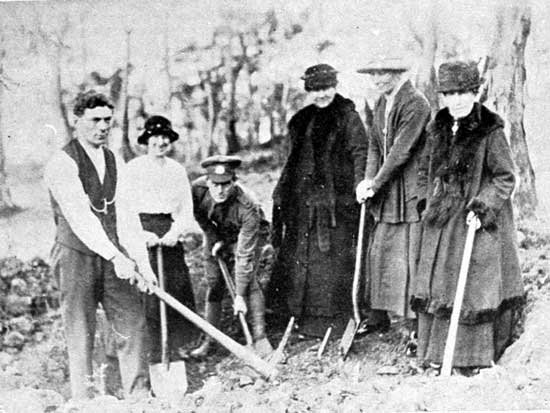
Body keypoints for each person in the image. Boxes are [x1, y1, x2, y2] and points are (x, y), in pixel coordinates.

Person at [411, 61, 524, 374]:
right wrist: (426, 201)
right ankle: (434, 353)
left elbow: (504, 176)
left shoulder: (491, 129)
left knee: (473, 285)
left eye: (463, 92)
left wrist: (483, 206)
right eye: (449, 93)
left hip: (476, 221)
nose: (457, 100)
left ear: (475, 93)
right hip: (442, 219)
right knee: (438, 282)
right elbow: (424, 169)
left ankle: (469, 358)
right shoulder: (438, 127)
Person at [45, 90, 157, 400]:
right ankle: (86, 401)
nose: (103, 126)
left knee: (132, 321)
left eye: (108, 120)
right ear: (76, 120)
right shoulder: (61, 162)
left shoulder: (114, 160)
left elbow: (127, 215)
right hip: (75, 254)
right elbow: (80, 217)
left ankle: (139, 397)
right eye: (95, 120)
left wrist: (142, 264)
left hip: (113, 254)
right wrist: (115, 254)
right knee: (81, 332)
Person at [271, 63, 369, 338]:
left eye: (326, 88)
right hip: (304, 204)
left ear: (335, 86)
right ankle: (303, 320)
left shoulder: (348, 117)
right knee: (302, 260)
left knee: (331, 261)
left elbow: (360, 152)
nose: (321, 94)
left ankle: (335, 322)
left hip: (337, 205)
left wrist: (360, 184)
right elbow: (291, 161)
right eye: (315, 89)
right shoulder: (301, 120)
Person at [356, 56, 430, 337]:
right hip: (387, 190)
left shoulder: (416, 103)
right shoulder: (380, 103)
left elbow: (402, 151)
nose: (376, 80)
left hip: (409, 190)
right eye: (372, 74)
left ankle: (414, 325)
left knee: (409, 257)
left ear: (397, 73)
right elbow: (375, 145)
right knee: (380, 252)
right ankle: (378, 316)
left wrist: (376, 184)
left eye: (382, 73)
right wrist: (367, 180)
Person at [120, 115, 198, 363]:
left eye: (165, 137)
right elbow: (123, 209)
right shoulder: (133, 169)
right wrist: (141, 235)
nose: (160, 142)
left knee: (176, 286)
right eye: (155, 137)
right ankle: (152, 350)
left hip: (169, 232)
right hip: (141, 230)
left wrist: (175, 232)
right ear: (146, 140)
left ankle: (176, 347)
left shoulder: (177, 170)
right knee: (149, 293)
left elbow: (186, 208)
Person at [190, 155, 273, 357]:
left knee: (248, 281)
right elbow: (199, 216)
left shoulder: (247, 205)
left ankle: (260, 339)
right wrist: (213, 236)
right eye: (215, 184)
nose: (220, 190)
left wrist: (239, 296)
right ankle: (211, 340)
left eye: (226, 184)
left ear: (234, 182)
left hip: (248, 235)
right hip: (218, 231)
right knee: (214, 282)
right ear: (207, 181)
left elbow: (244, 255)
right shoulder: (197, 191)